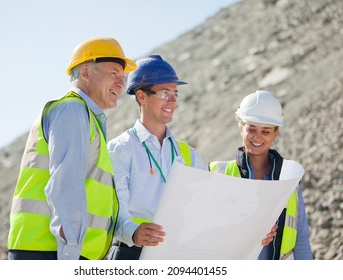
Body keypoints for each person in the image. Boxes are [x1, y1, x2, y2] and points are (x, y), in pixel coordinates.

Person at [107, 55, 276, 260]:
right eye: (164, 93)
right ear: (141, 96)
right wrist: (133, 232)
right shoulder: (120, 149)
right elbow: (111, 214)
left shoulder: (188, 154)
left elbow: (210, 211)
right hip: (131, 254)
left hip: (177, 256)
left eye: (175, 94)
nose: (172, 101)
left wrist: (252, 231)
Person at [7, 37, 137, 260]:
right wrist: (70, 258)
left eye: (122, 77)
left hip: (59, 252)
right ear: (86, 72)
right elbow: (66, 189)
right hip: (49, 252)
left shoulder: (87, 118)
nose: (121, 83)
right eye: (114, 73)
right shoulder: (73, 110)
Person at [209, 90, 313, 260]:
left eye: (265, 131)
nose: (257, 137)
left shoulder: (289, 177)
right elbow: (207, 236)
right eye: (251, 129)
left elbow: (300, 238)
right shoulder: (218, 174)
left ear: (275, 133)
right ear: (240, 127)